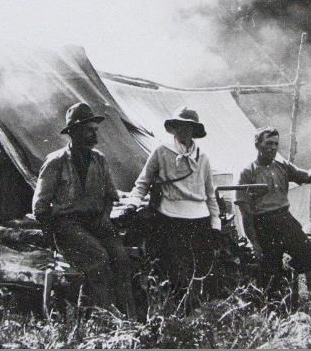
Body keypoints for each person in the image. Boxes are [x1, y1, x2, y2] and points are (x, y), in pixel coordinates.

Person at [32, 102, 135, 317]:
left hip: (96, 222)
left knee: (122, 258)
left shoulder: (99, 160)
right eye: (89, 130)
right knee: (99, 257)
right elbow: (39, 207)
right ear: (74, 132)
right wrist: (53, 234)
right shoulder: (56, 162)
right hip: (67, 226)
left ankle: (130, 316)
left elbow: (110, 196)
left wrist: (105, 217)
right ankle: (105, 315)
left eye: (95, 129)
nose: (94, 134)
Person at [123, 106, 222, 300]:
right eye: (179, 126)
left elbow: (210, 193)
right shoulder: (161, 151)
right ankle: (178, 313)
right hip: (171, 216)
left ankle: (195, 312)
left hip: (198, 216)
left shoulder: (203, 158)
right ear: (173, 128)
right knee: (177, 272)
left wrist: (216, 224)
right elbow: (143, 182)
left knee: (201, 271)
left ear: (194, 131)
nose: (183, 131)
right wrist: (132, 204)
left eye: (188, 127)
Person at [235, 126, 311, 296]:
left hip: (285, 220)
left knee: (310, 258)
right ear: (257, 144)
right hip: (263, 225)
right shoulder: (247, 172)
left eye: (275, 144)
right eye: (268, 143)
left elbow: (309, 177)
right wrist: (254, 243)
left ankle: (286, 271)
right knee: (270, 276)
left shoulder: (283, 167)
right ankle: (278, 309)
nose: (273, 148)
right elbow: (246, 213)